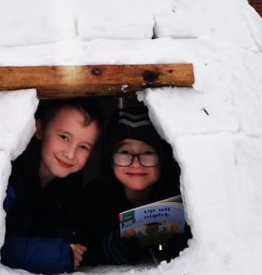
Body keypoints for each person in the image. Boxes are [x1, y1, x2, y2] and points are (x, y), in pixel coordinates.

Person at [0, 99, 102, 275]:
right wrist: (58, 255)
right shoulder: (10, 177)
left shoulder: (69, 187)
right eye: (64, 137)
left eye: (83, 147)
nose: (70, 154)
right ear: (39, 129)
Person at [76, 105, 188, 266]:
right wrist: (112, 246)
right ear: (110, 160)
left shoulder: (180, 193)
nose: (136, 164)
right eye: (125, 153)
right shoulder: (93, 199)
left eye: (148, 153)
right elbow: (85, 251)